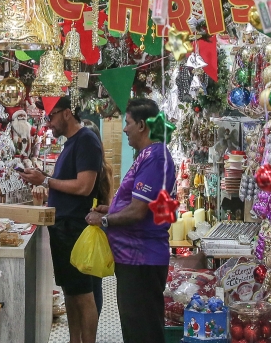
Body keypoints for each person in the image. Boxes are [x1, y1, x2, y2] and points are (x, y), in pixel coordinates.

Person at [86, 98, 176, 343]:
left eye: (128, 123)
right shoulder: (146, 154)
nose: (124, 128)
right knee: (135, 328)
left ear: (142, 126)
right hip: (133, 260)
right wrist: (111, 209)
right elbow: (136, 204)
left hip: (142, 261)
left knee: (142, 331)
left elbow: (138, 211)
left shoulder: (156, 157)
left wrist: (104, 222)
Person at [19, 97, 104, 343]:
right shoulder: (70, 144)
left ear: (67, 113)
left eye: (51, 116)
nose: (49, 124)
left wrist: (44, 180)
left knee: (83, 295)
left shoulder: (86, 140)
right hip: (64, 229)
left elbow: (84, 186)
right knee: (70, 292)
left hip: (75, 229)